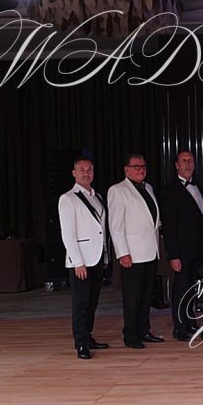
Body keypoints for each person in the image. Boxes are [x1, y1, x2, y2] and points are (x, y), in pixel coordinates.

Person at [107, 154, 165, 349]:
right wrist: (122, 253)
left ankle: (144, 330)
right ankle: (130, 335)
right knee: (132, 297)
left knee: (146, 295)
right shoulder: (117, 190)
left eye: (143, 166)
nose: (141, 170)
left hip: (150, 251)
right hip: (132, 254)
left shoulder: (148, 188)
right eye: (136, 166)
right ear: (127, 170)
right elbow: (115, 226)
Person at [58, 157, 110, 360]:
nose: (86, 173)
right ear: (74, 173)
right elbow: (68, 233)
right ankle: (80, 342)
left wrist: (105, 254)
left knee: (92, 302)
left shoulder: (97, 197)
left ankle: (88, 336)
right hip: (81, 260)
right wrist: (77, 262)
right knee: (80, 303)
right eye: (82, 170)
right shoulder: (68, 198)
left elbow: (101, 229)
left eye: (89, 170)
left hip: (97, 256)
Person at [160, 150, 203, 341]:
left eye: (190, 160)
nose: (187, 164)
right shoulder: (170, 190)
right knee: (180, 289)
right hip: (181, 251)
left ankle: (189, 322)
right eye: (184, 160)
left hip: (199, 249)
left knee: (193, 288)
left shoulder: (200, 186)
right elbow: (169, 226)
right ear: (176, 165)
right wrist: (173, 255)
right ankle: (179, 328)